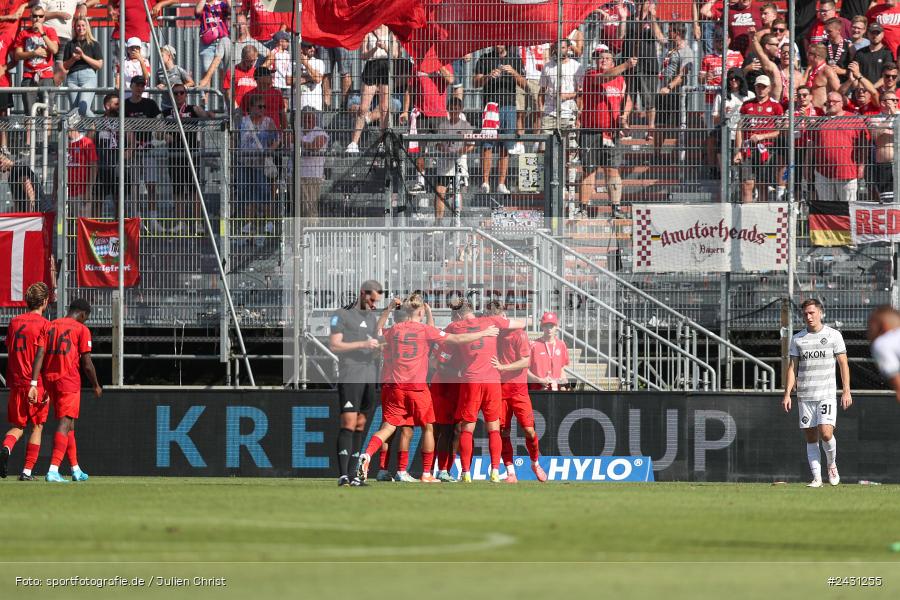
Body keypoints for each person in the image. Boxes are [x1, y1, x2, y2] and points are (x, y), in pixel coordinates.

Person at [357, 295, 500, 483]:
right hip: (417, 388)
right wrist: (483, 333)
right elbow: (457, 339)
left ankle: (367, 455)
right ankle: (426, 473)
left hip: (394, 387)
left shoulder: (394, 331)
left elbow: (377, 333)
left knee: (388, 428)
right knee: (429, 428)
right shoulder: (425, 331)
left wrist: (388, 309)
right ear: (420, 311)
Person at [449, 302, 528, 483]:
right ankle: (494, 471)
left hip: (471, 381)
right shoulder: (491, 321)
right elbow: (521, 324)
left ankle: (466, 473)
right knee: (494, 428)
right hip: (492, 380)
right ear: (473, 313)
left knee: (467, 428)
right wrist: (503, 321)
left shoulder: (456, 326)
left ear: (459, 316)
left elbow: (437, 334)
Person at [782, 298, 851, 487]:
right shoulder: (797, 338)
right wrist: (787, 393)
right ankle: (817, 478)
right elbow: (792, 368)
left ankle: (831, 464)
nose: (808, 316)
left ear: (820, 313)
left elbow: (843, 364)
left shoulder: (833, 335)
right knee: (811, 437)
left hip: (826, 393)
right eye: (805, 313)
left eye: (812, 312)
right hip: (805, 395)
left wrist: (846, 391)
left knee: (826, 434)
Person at [329, 280, 384, 486]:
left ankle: (353, 477)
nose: (373, 304)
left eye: (376, 301)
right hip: (350, 375)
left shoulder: (371, 318)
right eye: (371, 300)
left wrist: (379, 348)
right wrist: (363, 343)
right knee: (349, 423)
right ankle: (343, 475)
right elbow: (334, 345)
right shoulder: (341, 315)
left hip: (370, 376)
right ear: (362, 294)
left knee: (361, 425)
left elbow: (372, 345)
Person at [42, 298, 102, 483]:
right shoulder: (81, 329)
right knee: (65, 423)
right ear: (83, 314)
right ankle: (53, 470)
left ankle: (76, 469)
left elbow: (40, 354)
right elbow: (87, 363)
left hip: (50, 379)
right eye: (86, 317)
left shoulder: (51, 325)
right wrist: (96, 384)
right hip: (68, 380)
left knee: (70, 426)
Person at [488, 304, 547, 484]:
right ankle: (510, 472)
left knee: (529, 431)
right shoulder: (491, 335)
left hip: (519, 391)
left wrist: (503, 367)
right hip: (499, 390)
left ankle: (535, 463)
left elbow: (525, 362)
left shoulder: (519, 334)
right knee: (503, 432)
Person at [0, 283, 51, 481]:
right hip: (34, 382)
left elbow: (10, 351)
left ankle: (6, 447)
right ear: (45, 301)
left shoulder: (14, 322)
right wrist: (37, 383)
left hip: (16, 382)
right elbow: (41, 355)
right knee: (37, 426)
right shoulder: (45, 325)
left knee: (18, 426)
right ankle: (27, 471)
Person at [578, 50, 636, 215]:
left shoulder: (620, 80)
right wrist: (626, 65)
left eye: (607, 58)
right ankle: (583, 208)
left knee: (613, 169)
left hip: (612, 132)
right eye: (600, 58)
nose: (603, 60)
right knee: (589, 170)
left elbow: (627, 100)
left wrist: (624, 117)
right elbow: (604, 78)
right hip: (591, 131)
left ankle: (616, 207)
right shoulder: (591, 75)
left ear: (612, 62)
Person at [475, 44, 525, 195]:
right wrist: (487, 76)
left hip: (509, 105)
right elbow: (475, 82)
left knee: (506, 144)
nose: (499, 45)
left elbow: (524, 84)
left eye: (501, 42)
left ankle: (501, 183)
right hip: (490, 105)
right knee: (487, 144)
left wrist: (513, 72)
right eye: (496, 42)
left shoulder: (515, 59)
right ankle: (485, 181)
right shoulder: (484, 58)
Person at [346, 25, 398, 153]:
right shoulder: (368, 31)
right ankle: (354, 143)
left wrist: (385, 47)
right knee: (363, 107)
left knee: (384, 107)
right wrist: (374, 48)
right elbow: (363, 55)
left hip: (386, 66)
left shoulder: (391, 31)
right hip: (372, 66)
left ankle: (382, 142)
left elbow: (396, 54)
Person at [734, 74, 783, 203]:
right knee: (747, 184)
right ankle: (747, 216)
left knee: (762, 184)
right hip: (748, 149)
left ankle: (760, 218)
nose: (761, 89)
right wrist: (738, 151)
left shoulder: (776, 106)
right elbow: (740, 128)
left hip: (767, 149)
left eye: (764, 87)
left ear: (769, 88)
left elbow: (779, 131)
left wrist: (762, 136)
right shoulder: (746, 105)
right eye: (758, 86)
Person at [813, 91, 868, 203]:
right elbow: (812, 146)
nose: (831, 104)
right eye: (828, 101)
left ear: (842, 103)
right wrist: (808, 167)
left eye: (834, 101)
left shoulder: (854, 119)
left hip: (847, 172)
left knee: (848, 208)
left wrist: (861, 166)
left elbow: (864, 144)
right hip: (823, 173)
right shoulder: (820, 121)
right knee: (827, 208)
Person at [433, 97, 474, 223]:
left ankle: (455, 221)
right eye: (452, 109)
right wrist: (444, 150)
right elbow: (437, 144)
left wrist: (458, 152)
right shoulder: (442, 125)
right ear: (448, 109)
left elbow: (471, 145)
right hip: (444, 164)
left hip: (459, 163)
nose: (454, 111)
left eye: (457, 109)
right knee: (440, 191)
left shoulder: (466, 125)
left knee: (457, 193)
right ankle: (438, 222)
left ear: (461, 110)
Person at [13, 5, 59, 117]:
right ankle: (30, 135)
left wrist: (42, 33)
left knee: (47, 113)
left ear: (44, 18)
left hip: (46, 76)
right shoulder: (23, 34)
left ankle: (47, 135)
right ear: (30, 17)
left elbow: (54, 49)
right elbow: (17, 55)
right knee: (29, 113)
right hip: (29, 76)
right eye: (35, 16)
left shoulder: (50, 31)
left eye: (40, 16)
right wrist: (34, 53)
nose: (37, 18)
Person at [62, 15, 102, 116]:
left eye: (83, 25)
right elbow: (65, 66)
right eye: (78, 26)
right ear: (75, 28)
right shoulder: (70, 44)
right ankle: (81, 132)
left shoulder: (94, 44)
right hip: (72, 79)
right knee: (74, 111)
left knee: (83, 108)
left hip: (88, 77)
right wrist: (73, 59)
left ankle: (98, 128)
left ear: (87, 27)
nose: (81, 28)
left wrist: (83, 56)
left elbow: (99, 65)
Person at [867, 90, 898, 201]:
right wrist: (890, 118)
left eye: (897, 100)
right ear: (883, 103)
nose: (895, 102)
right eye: (892, 100)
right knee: (888, 200)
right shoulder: (875, 119)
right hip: (885, 165)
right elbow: (875, 135)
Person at [299, 107, 328, 221]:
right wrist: (304, 143)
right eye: (305, 118)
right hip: (295, 175)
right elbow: (286, 141)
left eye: (310, 118)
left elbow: (315, 146)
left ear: (315, 120)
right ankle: (299, 236)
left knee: (310, 209)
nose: (307, 121)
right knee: (297, 209)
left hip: (312, 176)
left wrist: (298, 142)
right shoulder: (297, 130)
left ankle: (310, 235)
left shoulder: (319, 132)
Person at [528, 312, 570, 391]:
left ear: (556, 327)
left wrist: (563, 385)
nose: (549, 328)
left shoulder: (561, 345)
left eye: (551, 326)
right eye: (546, 326)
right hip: (537, 390)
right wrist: (539, 380)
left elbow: (561, 369)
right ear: (542, 327)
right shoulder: (533, 345)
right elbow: (525, 371)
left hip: (555, 390)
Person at [868, 305, 900, 403]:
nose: (868, 331)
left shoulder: (882, 344)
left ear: (883, 325)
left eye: (870, 326)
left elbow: (897, 383)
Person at [195, 0, 230, 89]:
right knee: (206, 72)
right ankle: (204, 102)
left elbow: (231, 10)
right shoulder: (203, 5)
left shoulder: (221, 4)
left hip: (222, 42)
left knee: (224, 73)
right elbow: (197, 12)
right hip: (208, 44)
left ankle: (225, 100)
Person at [67, 126, 98, 218]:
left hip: (81, 192)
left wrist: (88, 190)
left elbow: (93, 167)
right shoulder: (63, 144)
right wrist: (55, 190)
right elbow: (58, 167)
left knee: (81, 224)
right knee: (64, 225)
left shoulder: (86, 142)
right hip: (65, 191)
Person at [155, 45, 194, 110]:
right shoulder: (158, 72)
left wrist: (181, 88)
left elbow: (191, 82)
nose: (159, 58)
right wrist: (158, 86)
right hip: (165, 107)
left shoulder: (178, 69)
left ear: (169, 56)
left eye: (162, 56)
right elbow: (157, 85)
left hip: (179, 107)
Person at [805, 43, 841, 108]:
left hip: (822, 112)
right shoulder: (810, 70)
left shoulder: (827, 70)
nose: (806, 56)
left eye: (809, 53)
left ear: (816, 56)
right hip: (810, 111)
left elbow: (838, 91)